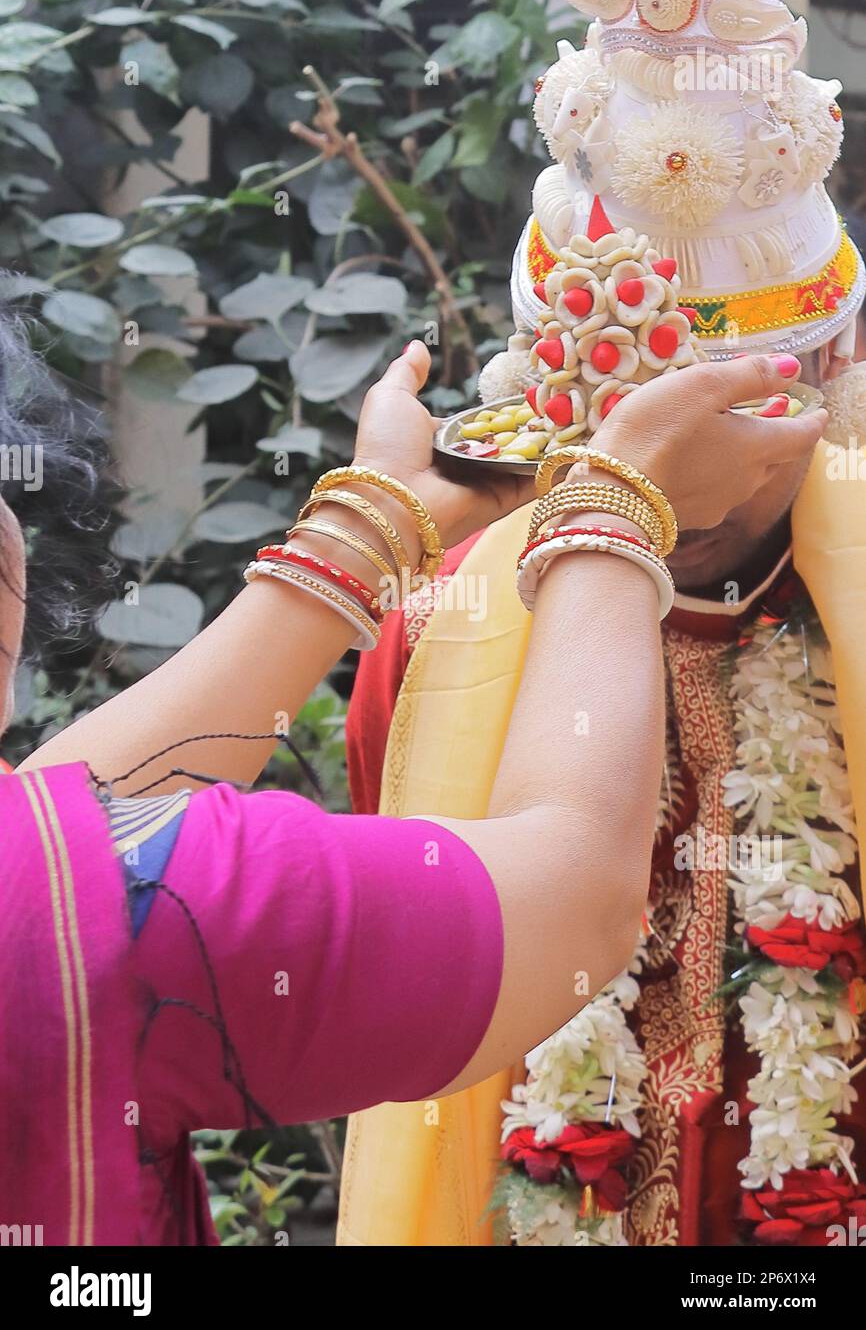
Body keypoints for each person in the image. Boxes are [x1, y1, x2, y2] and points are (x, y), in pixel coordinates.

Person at [3, 309, 816, 1242]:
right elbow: (576, 902)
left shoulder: (54, 893)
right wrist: (616, 500)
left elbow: (67, 831)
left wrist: (380, 517)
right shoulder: (154, 904)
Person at [336, 0, 866, 1247]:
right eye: (636, 432)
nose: (675, 480)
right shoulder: (439, 630)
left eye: (725, 418)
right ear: (550, 392)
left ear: (828, 376)